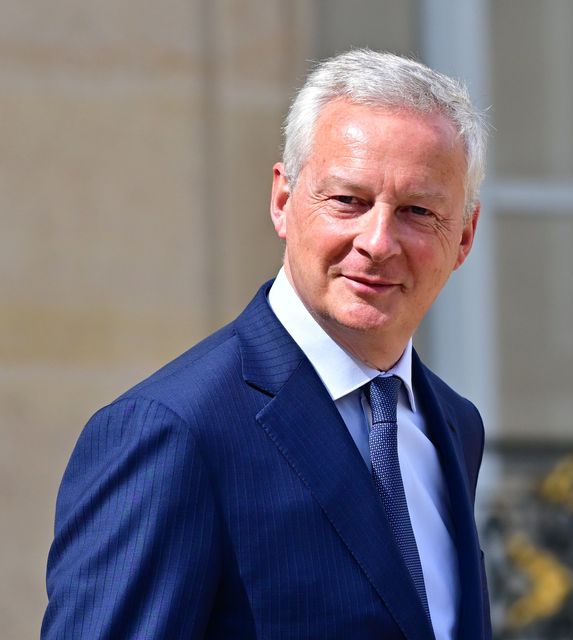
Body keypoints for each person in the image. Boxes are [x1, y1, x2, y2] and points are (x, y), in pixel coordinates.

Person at [42, 49, 491, 640]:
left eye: (417, 211)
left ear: (463, 237)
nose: (378, 242)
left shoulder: (454, 425)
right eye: (348, 201)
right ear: (283, 201)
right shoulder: (171, 431)